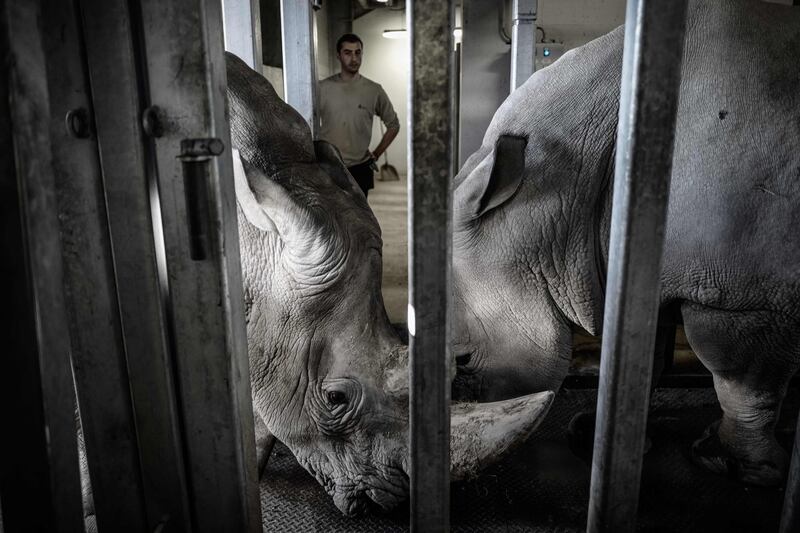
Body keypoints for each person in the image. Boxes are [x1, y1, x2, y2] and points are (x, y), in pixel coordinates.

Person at [318, 33, 400, 198]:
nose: (354, 58)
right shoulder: (322, 88)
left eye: (358, 52)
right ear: (338, 56)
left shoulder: (374, 90)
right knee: (331, 218)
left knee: (358, 221)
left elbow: (393, 125)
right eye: (348, 53)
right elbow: (305, 122)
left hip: (360, 168)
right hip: (328, 166)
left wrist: (376, 154)